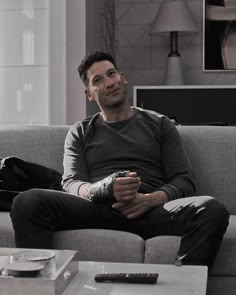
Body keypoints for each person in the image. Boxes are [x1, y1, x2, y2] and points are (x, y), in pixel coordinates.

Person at [10, 50, 229, 268]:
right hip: (99, 210)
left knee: (212, 209)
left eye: (112, 74)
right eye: (98, 80)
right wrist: (105, 188)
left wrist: (150, 200)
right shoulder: (80, 131)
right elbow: (71, 183)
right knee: (27, 202)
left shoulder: (160, 124)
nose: (109, 82)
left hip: (152, 211)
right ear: (89, 94)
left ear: (122, 78)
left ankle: (185, 287)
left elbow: (184, 181)